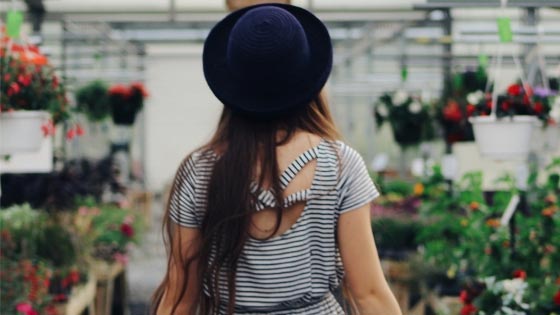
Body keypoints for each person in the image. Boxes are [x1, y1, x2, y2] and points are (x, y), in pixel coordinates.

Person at [152, 4, 402, 315]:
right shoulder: (340, 165)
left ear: (232, 82)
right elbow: (369, 294)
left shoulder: (200, 171)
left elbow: (180, 297)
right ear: (308, 80)